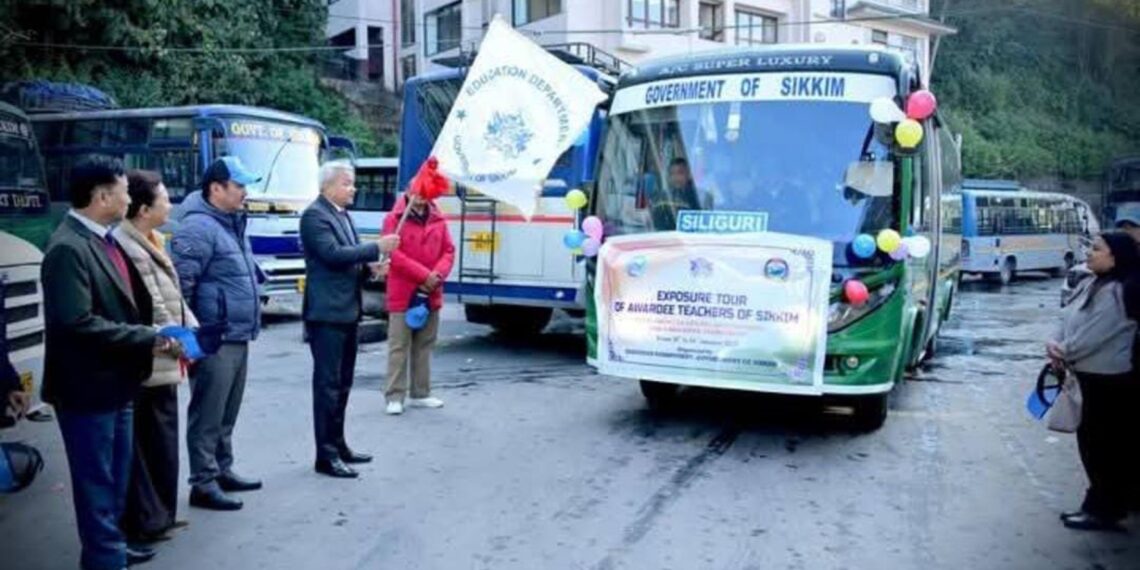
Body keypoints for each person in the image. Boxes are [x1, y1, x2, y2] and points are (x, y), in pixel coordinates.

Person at [41, 155, 181, 569]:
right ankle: (104, 557)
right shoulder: (68, 248)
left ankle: (113, 544)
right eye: (123, 192)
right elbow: (77, 322)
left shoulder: (101, 238)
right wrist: (148, 337)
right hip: (87, 388)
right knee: (97, 481)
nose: (129, 199)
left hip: (117, 382)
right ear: (102, 197)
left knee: (117, 477)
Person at [172, 156, 263, 511]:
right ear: (216, 189)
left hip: (236, 333)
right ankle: (203, 482)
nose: (245, 192)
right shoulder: (198, 227)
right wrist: (192, 339)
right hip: (214, 337)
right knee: (208, 414)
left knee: (227, 411)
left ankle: (222, 469)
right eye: (238, 186)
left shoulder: (230, 223)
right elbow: (181, 288)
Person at [300, 161, 399, 478]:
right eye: (346, 183)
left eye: (352, 183)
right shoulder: (314, 216)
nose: (352, 188)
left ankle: (339, 444)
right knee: (327, 386)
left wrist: (371, 269)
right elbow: (331, 254)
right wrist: (375, 248)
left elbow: (349, 259)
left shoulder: (342, 215)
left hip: (347, 310)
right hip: (327, 313)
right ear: (326, 186)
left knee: (343, 384)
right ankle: (325, 454)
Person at [114, 170, 197, 543]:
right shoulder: (128, 246)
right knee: (150, 441)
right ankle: (148, 521)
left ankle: (161, 516)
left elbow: (174, 297)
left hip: (168, 351)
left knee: (163, 439)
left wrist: (191, 328)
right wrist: (182, 340)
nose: (170, 205)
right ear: (144, 209)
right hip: (153, 355)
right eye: (164, 199)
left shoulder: (153, 239)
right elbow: (155, 305)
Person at [1048, 232, 1140, 531]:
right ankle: (1100, 504)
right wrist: (1055, 343)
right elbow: (1066, 316)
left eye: (1097, 249)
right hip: (1086, 376)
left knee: (1103, 448)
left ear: (1115, 258)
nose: (1090, 253)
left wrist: (1061, 350)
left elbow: (1093, 336)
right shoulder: (1092, 283)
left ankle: (1104, 509)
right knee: (1092, 444)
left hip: (1106, 382)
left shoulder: (1118, 293)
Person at [382, 187, 455, 415]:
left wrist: (437, 275)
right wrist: (425, 276)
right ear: (408, 191)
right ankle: (394, 396)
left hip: (431, 292)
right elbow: (394, 255)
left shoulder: (439, 219)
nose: (422, 195)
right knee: (399, 346)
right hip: (403, 292)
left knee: (424, 344)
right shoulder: (394, 219)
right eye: (417, 190)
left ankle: (421, 393)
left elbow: (449, 251)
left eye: (425, 191)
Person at [647, 157, 701, 230]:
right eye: (672, 174)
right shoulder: (661, 198)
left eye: (680, 173)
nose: (676, 177)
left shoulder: (699, 197)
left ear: (689, 175)